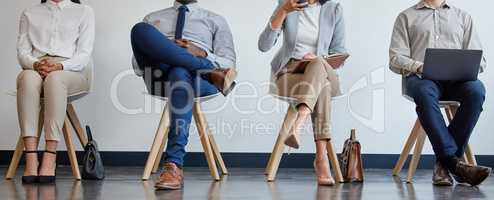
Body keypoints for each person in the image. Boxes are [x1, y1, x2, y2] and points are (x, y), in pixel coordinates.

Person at [130, 0, 237, 190]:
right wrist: (168, 50)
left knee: (179, 73)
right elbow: (139, 68)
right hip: (159, 75)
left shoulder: (215, 20)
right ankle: (209, 70)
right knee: (139, 29)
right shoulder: (153, 18)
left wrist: (201, 53)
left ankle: (173, 165)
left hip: (199, 80)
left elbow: (229, 62)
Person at [389, 0, 491, 186]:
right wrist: (420, 66)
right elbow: (395, 58)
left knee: (476, 90)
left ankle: (445, 164)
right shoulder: (406, 16)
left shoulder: (463, 17)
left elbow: (481, 60)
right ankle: (453, 163)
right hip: (422, 78)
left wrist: (464, 66)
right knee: (424, 92)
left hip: (457, 81)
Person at [258, 0, 346, 185]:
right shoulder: (286, 4)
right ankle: (321, 159)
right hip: (290, 73)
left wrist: (319, 59)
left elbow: (339, 52)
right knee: (323, 85)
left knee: (318, 66)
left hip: (322, 70)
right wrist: (283, 11)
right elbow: (263, 45)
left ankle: (299, 122)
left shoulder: (334, 8)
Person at [16, 0, 94, 184]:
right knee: (27, 78)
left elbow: (84, 54)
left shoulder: (84, 11)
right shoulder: (30, 12)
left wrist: (59, 66)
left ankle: (50, 156)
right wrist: (35, 64)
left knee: (55, 79)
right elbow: (22, 52)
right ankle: (31, 157)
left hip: (71, 70)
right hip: (37, 66)